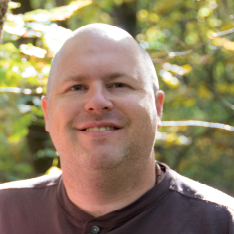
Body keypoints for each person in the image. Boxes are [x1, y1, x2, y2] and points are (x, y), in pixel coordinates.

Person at [0, 23, 233, 234]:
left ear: (157, 107)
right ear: (47, 113)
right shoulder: (5, 215)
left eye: (119, 85)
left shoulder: (221, 224)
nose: (97, 102)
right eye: (77, 87)